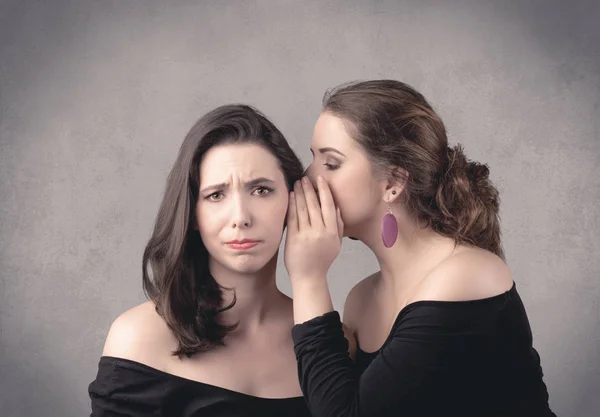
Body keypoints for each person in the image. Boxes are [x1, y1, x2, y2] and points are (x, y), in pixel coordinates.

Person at [284, 80, 556, 416]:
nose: (308, 179)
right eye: (313, 159)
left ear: (394, 183)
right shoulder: (362, 299)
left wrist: (308, 278)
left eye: (331, 163)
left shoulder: (464, 276)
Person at [88, 104, 312, 417]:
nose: (241, 217)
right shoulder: (138, 337)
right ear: (193, 214)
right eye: (216, 195)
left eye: (261, 190)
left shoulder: (329, 339)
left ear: (292, 200)